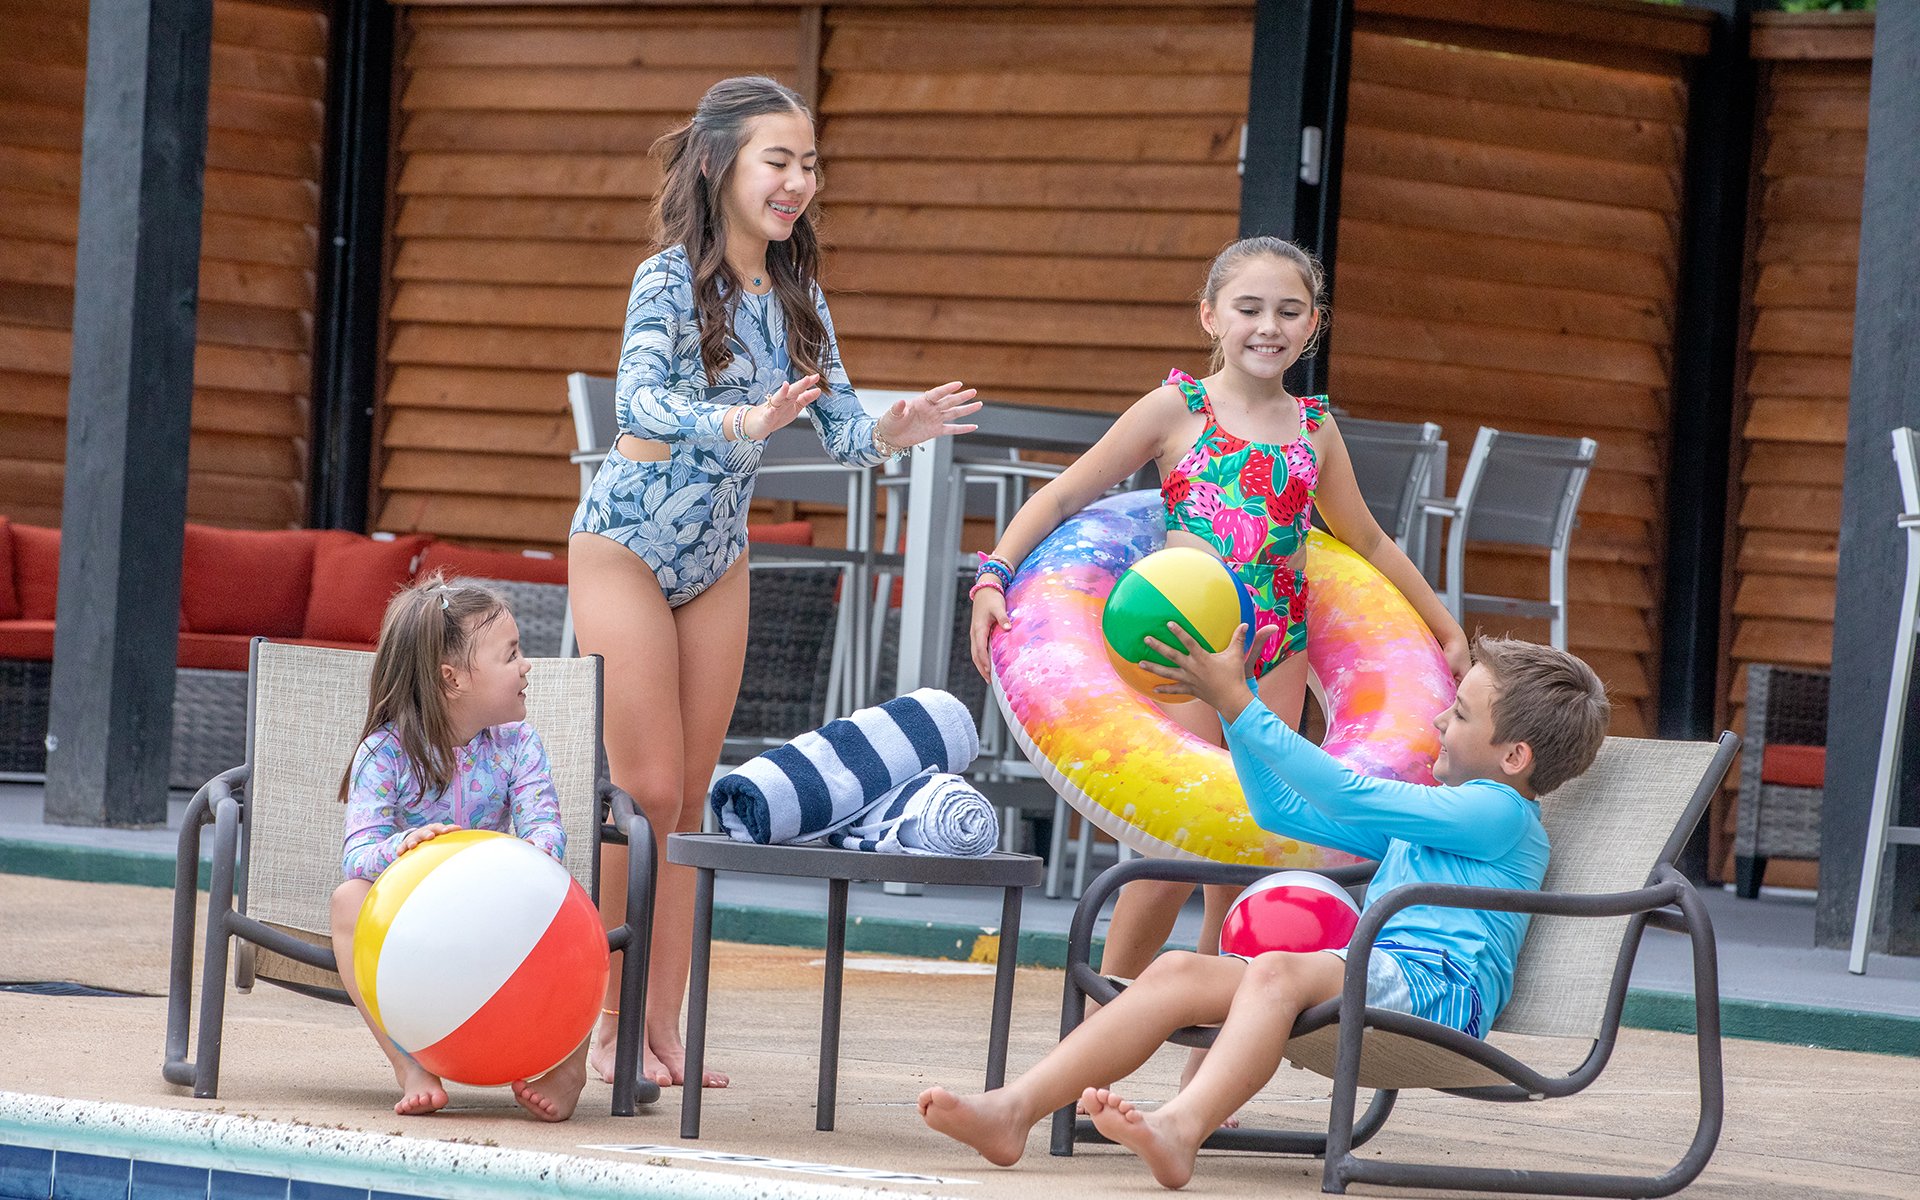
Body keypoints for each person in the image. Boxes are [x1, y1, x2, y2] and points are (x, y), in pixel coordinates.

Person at [568, 75, 980, 1091]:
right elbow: (640, 402)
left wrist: (894, 428)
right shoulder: (667, 278)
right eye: (778, 161)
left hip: (717, 556)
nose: (798, 182)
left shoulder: (798, 295)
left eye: (809, 165)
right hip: (625, 542)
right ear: (719, 164)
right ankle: (605, 1022)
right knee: (644, 790)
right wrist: (740, 422)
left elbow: (841, 430)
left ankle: (663, 1028)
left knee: (691, 800)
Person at [967, 235, 1470, 1026]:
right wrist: (994, 575)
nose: (1268, 327)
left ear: (1313, 325)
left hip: (1276, 656)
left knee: (1238, 863)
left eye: (1290, 311)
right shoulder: (1178, 409)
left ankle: (1203, 1060)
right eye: (1249, 308)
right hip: (1188, 653)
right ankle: (1097, 1036)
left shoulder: (1314, 428)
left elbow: (1368, 541)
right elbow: (1064, 496)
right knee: (1170, 859)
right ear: (1211, 316)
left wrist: (1444, 627)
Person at [922, 628, 1609, 1188]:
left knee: (1278, 969)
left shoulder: (1499, 815)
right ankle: (1014, 1110)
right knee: (1177, 972)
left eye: (1459, 714)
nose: (1438, 719)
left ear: (1513, 756)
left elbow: (1343, 793)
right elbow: (1279, 809)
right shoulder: (1443, 817)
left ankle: (1182, 1126)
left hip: (1440, 994)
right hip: (1384, 974)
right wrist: (1234, 707)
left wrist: (1240, 704)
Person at [328, 575, 586, 1121]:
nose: (527, 666)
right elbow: (358, 853)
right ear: (453, 679)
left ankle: (567, 1068)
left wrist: (521, 865)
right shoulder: (387, 753)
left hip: (498, 915)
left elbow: (546, 830)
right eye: (510, 655)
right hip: (415, 930)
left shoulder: (518, 744)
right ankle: (409, 1065)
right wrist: (405, 846)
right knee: (348, 899)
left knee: (581, 903)